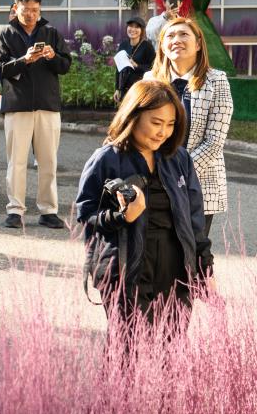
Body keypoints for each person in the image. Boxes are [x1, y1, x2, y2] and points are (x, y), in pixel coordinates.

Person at [75, 81, 213, 332]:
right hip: (126, 271)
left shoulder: (180, 159)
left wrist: (205, 269)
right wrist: (121, 216)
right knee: (129, 348)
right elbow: (86, 214)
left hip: (176, 272)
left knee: (172, 348)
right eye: (156, 122)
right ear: (134, 116)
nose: (163, 132)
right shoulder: (106, 159)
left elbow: (195, 221)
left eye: (170, 124)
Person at [0, 0, 72, 230]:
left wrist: (52, 56)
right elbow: (0, 69)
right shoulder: (4, 34)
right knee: (16, 162)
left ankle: (49, 211)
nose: (30, 14)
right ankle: (15, 210)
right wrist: (24, 60)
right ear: (16, 8)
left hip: (48, 105)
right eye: (26, 10)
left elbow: (65, 65)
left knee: (48, 161)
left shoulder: (51, 33)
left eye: (35, 10)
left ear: (40, 9)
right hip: (17, 105)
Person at [145, 17, 233, 237]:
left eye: (184, 34)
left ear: (198, 44)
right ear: (162, 46)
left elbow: (214, 141)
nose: (176, 40)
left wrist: (179, 175)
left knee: (192, 250)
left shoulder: (217, 80)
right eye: (170, 36)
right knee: (158, 249)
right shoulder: (150, 80)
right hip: (154, 181)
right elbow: (139, 129)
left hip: (198, 184)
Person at [115, 17, 156, 104]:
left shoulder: (147, 47)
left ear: (142, 30)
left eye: (137, 27)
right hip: (124, 89)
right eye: (131, 26)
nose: (133, 29)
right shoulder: (123, 45)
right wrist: (117, 89)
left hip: (141, 90)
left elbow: (154, 69)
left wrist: (137, 66)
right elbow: (118, 69)